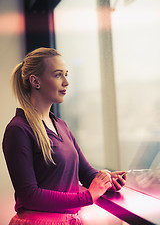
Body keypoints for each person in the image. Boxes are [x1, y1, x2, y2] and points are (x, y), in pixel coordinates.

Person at [2, 47, 126, 225]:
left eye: (66, 74)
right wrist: (88, 197)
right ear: (35, 81)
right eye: (58, 75)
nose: (66, 82)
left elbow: (85, 173)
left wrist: (107, 181)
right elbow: (30, 196)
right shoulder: (18, 130)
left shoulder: (61, 126)